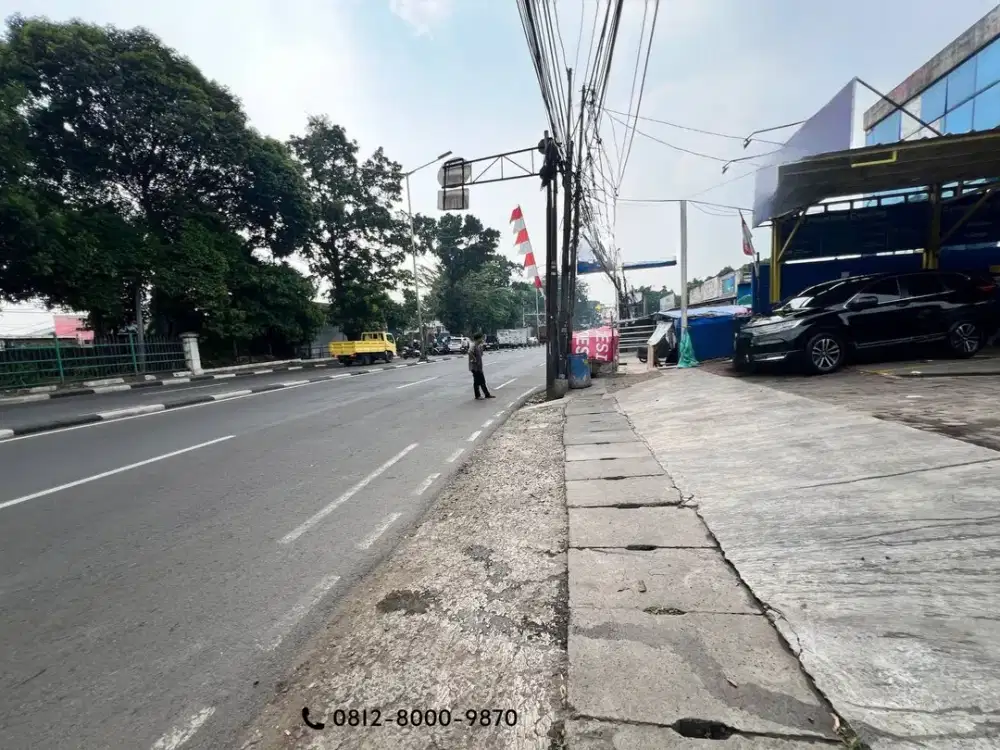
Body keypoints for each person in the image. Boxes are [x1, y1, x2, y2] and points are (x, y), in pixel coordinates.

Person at [468, 333, 494, 400]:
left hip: (479, 367)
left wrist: (481, 347)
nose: (482, 339)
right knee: (477, 381)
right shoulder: (473, 345)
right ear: (478, 338)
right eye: (481, 338)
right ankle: (478, 395)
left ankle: (486, 394)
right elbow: (469, 352)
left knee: (481, 381)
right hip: (474, 367)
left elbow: (481, 354)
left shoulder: (478, 345)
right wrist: (474, 359)